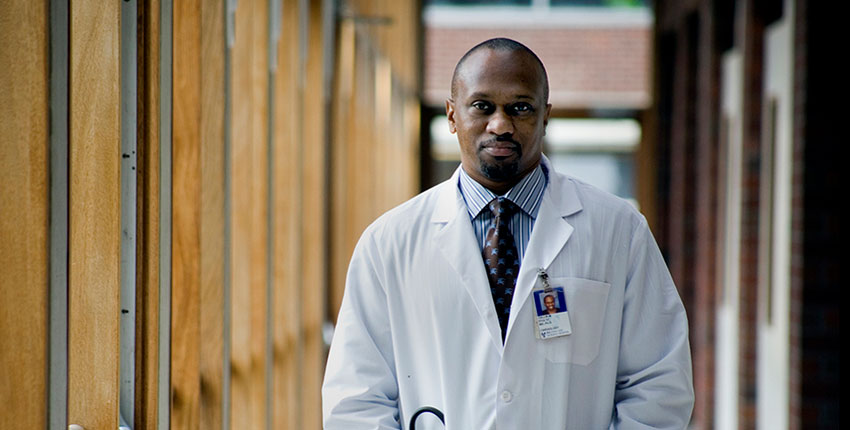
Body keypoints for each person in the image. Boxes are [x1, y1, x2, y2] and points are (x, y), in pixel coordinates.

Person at [323, 38, 694, 429]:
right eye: (482, 106)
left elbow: (659, 385)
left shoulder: (619, 232)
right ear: (452, 116)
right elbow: (356, 400)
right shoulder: (388, 244)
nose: (500, 125)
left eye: (520, 108)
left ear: (545, 115)